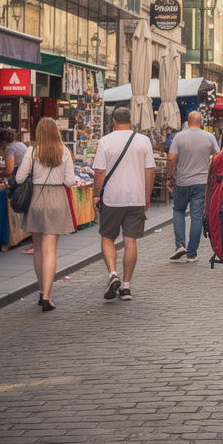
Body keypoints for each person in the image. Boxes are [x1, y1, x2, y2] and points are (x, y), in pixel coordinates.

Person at [93, 106, 156, 301]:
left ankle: (113, 274)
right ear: (131, 120)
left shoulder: (105, 141)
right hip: (135, 197)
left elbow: (99, 172)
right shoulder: (143, 141)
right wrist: (147, 195)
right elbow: (150, 171)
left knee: (107, 237)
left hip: (112, 198)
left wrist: (96, 195)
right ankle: (126, 287)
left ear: (113, 121)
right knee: (130, 240)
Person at [15, 117, 76, 311]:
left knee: (39, 249)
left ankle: (42, 290)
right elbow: (70, 181)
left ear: (38, 133)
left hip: (37, 199)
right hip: (57, 198)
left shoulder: (32, 151)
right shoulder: (65, 151)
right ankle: (48, 297)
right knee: (50, 250)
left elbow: (19, 178)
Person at [166, 110, 219, 262]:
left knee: (178, 210)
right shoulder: (209, 137)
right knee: (196, 216)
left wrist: (170, 176)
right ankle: (191, 254)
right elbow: (219, 155)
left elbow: (171, 158)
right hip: (202, 182)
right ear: (201, 122)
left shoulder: (179, 136)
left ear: (187, 122)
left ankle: (180, 244)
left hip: (182, 182)